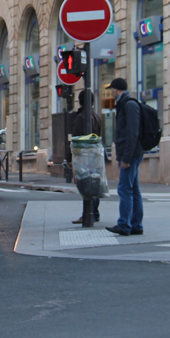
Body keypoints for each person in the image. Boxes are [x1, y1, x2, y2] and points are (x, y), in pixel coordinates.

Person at [105, 78, 144, 237]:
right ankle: (135, 225)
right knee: (133, 189)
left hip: (132, 154)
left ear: (116, 90)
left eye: (112, 89)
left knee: (124, 189)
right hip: (131, 153)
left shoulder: (129, 105)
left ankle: (124, 225)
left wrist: (126, 158)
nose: (111, 92)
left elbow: (132, 133)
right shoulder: (125, 104)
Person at [71, 89, 103, 225]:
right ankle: (94, 212)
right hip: (95, 155)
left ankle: (88, 214)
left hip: (84, 157)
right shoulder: (96, 116)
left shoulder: (81, 117)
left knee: (85, 183)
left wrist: (72, 158)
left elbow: (76, 139)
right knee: (94, 182)